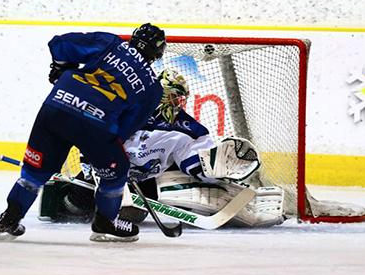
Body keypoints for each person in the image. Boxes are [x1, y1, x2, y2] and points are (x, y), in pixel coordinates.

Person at [0, 23, 167, 242]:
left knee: (34, 173)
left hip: (56, 108)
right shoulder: (152, 87)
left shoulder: (110, 42)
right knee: (118, 172)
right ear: (157, 53)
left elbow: (58, 44)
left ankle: (9, 219)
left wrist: (61, 68)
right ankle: (105, 223)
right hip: (95, 126)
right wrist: (100, 153)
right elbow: (126, 127)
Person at [39, 68, 284, 228]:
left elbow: (193, 161)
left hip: (143, 185)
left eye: (181, 100)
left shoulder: (187, 127)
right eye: (176, 99)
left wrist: (215, 165)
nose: (180, 104)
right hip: (102, 176)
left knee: (171, 189)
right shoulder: (123, 110)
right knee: (74, 204)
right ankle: (87, 202)